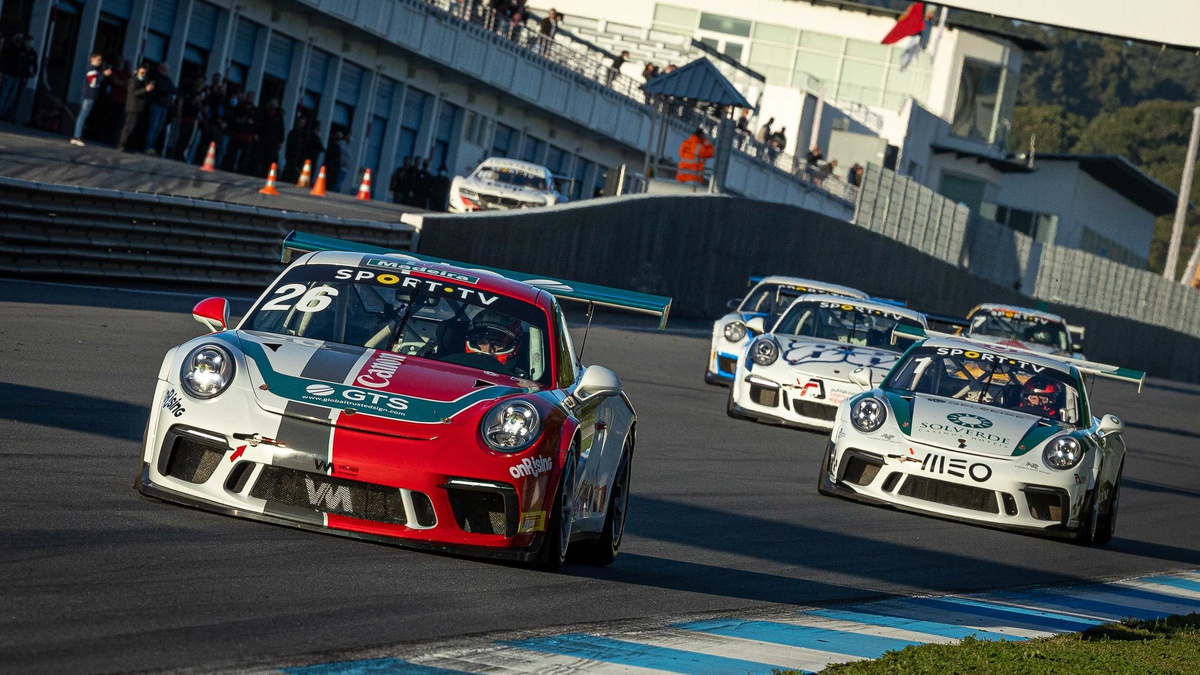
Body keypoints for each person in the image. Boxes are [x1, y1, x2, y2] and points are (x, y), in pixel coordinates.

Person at [71, 53, 112, 146]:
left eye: (101, 60)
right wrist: (103, 75)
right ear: (92, 59)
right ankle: (77, 136)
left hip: (91, 95)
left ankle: (77, 135)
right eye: (98, 59)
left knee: (84, 114)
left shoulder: (96, 70)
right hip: (89, 95)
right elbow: (93, 82)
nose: (100, 62)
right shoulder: (92, 69)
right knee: (83, 115)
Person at [117, 64, 154, 152]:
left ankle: (129, 145)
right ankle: (122, 144)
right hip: (133, 106)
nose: (143, 74)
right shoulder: (133, 81)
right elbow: (134, 92)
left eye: (145, 73)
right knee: (129, 127)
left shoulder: (144, 81)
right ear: (137, 72)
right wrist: (145, 89)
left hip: (140, 108)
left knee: (135, 128)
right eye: (142, 72)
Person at [144, 62, 178, 155]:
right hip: (156, 104)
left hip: (164, 106)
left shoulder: (167, 79)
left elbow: (173, 89)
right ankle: (148, 147)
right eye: (164, 68)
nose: (166, 71)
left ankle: (151, 147)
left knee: (158, 128)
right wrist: (167, 89)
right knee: (153, 126)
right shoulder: (155, 77)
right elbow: (161, 88)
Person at [282, 114, 308, 182]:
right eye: (301, 122)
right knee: (291, 170)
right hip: (293, 156)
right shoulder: (295, 133)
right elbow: (291, 145)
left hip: (296, 156)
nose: (302, 124)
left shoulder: (302, 134)